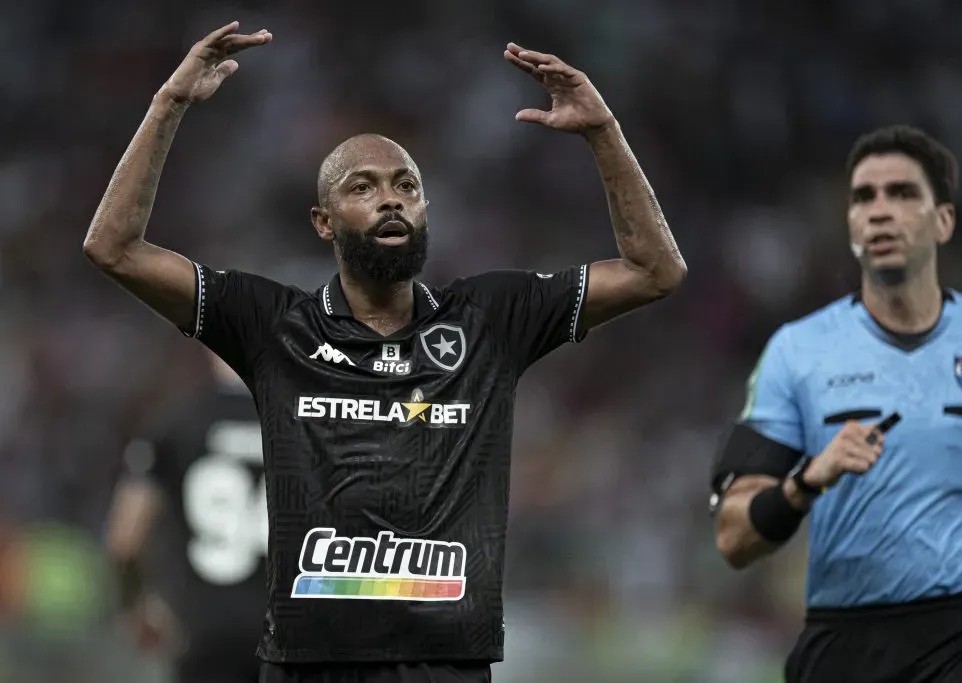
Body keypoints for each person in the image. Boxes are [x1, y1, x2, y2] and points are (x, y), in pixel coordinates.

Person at [84, 21, 686, 683]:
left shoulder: (489, 318)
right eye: (362, 187)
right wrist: (168, 107)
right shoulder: (273, 324)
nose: (390, 198)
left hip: (445, 666)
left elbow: (656, 270)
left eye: (406, 185)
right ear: (323, 221)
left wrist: (603, 133)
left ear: (427, 210)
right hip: (308, 668)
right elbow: (114, 248)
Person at [710, 124, 962, 683]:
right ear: (852, 224)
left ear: (944, 220)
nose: (879, 211)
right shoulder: (797, 351)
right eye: (863, 197)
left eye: (902, 193)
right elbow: (734, 536)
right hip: (848, 640)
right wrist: (805, 481)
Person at [106, 349, 265, 683]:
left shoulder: (176, 421)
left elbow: (124, 540)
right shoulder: (306, 421)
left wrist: (137, 609)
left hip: (203, 627)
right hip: (290, 630)